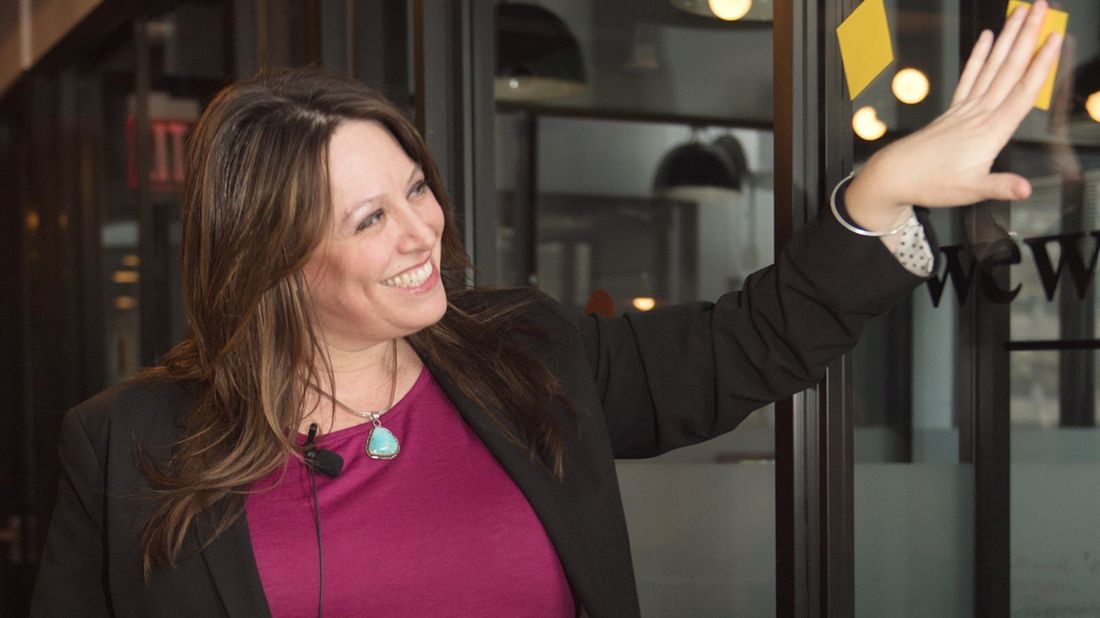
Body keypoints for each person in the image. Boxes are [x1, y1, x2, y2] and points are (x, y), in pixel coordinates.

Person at [30, 3, 1062, 617]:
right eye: (368, 217)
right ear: (271, 260)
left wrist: (881, 192)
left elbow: (748, 343)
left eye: (417, 189)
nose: (418, 230)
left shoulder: (520, 350)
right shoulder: (124, 447)